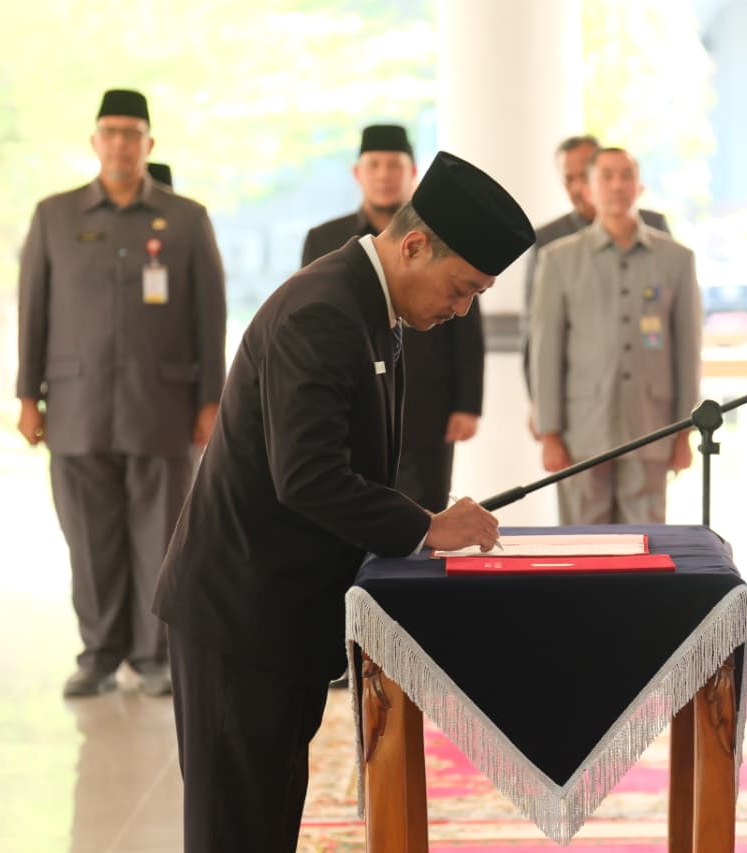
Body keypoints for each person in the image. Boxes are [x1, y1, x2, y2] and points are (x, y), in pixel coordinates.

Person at [154, 150, 533, 853]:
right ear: (414, 246)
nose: (461, 310)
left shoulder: (370, 304)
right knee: (235, 829)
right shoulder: (323, 311)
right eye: (462, 289)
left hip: (281, 615)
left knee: (268, 820)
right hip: (240, 612)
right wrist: (426, 526)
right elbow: (308, 475)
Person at [16, 89, 227, 699]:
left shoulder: (187, 219)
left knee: (161, 537)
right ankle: (100, 654)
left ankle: (155, 655)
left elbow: (209, 317)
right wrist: (27, 396)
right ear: (94, 141)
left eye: (132, 133)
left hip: (163, 406)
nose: (120, 143)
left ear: (149, 144)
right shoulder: (54, 216)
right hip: (76, 407)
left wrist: (211, 400)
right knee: (89, 541)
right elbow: (33, 311)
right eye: (110, 131)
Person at [302, 125, 483, 512]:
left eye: (394, 166)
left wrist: (467, 403)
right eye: (375, 165)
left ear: (412, 171)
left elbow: (466, 323)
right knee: (359, 503)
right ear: (358, 173)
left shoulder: (443, 237)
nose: (384, 175)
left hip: (427, 402)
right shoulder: (325, 238)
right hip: (355, 398)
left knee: (429, 506)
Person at [530, 147, 701, 525]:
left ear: (640, 187)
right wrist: (549, 433)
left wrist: (684, 431)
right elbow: (546, 351)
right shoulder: (558, 259)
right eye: (606, 176)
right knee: (583, 542)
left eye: (626, 175)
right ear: (588, 189)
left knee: (646, 538)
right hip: (581, 430)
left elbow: (687, 351)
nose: (617, 185)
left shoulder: (676, 259)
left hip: (652, 426)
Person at [522, 134, 670, 399]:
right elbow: (536, 333)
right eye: (569, 179)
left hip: (647, 393)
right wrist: (539, 405)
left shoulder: (654, 229)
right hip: (579, 397)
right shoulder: (548, 242)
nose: (578, 187)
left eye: (585, 176)